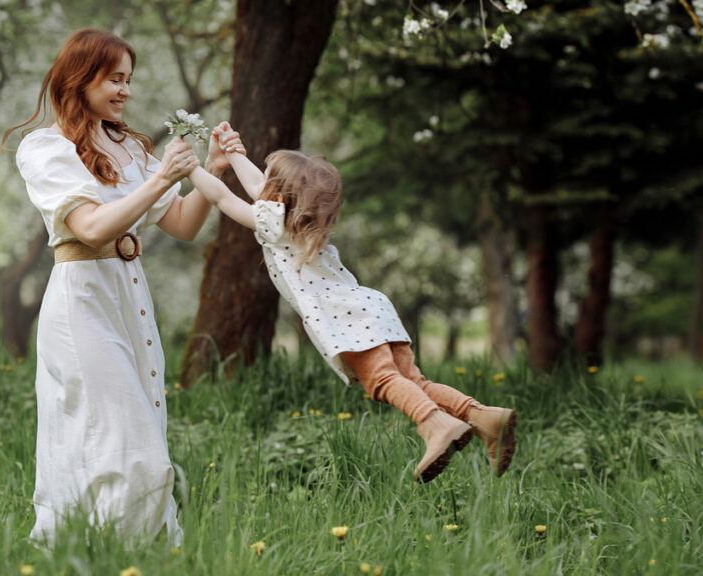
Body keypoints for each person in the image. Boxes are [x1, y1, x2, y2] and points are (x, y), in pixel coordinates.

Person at [0, 28, 230, 546]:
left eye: (129, 79)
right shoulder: (45, 148)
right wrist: (160, 178)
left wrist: (210, 170)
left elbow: (182, 225)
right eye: (113, 79)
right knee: (129, 442)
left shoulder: (126, 145)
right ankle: (103, 545)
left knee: (131, 430)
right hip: (82, 299)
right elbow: (91, 228)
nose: (125, 90)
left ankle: (110, 547)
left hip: (129, 294)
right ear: (78, 79)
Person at [188, 124, 518, 482]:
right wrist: (234, 152)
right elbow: (258, 187)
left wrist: (188, 168)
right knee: (413, 382)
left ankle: (435, 425)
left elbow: (222, 197)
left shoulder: (273, 223)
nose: (259, 184)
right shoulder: (300, 221)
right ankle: (484, 417)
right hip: (371, 307)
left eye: (267, 178)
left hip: (346, 318)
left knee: (383, 382)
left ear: (278, 196)